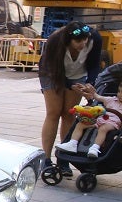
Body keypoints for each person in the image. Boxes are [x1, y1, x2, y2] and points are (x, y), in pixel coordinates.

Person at [38, 21, 103, 175]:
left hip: (77, 74)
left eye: (85, 39)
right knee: (54, 112)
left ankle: (63, 158)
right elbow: (53, 68)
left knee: (69, 113)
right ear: (68, 40)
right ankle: (45, 159)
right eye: (78, 41)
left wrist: (90, 83)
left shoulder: (94, 38)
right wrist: (69, 84)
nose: (83, 43)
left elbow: (94, 65)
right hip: (52, 73)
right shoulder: (55, 41)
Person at [57, 82, 122, 159]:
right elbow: (98, 97)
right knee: (80, 124)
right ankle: (72, 143)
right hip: (99, 120)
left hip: (113, 123)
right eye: (119, 91)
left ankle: (95, 148)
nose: (120, 94)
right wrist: (91, 91)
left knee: (103, 129)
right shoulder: (111, 100)